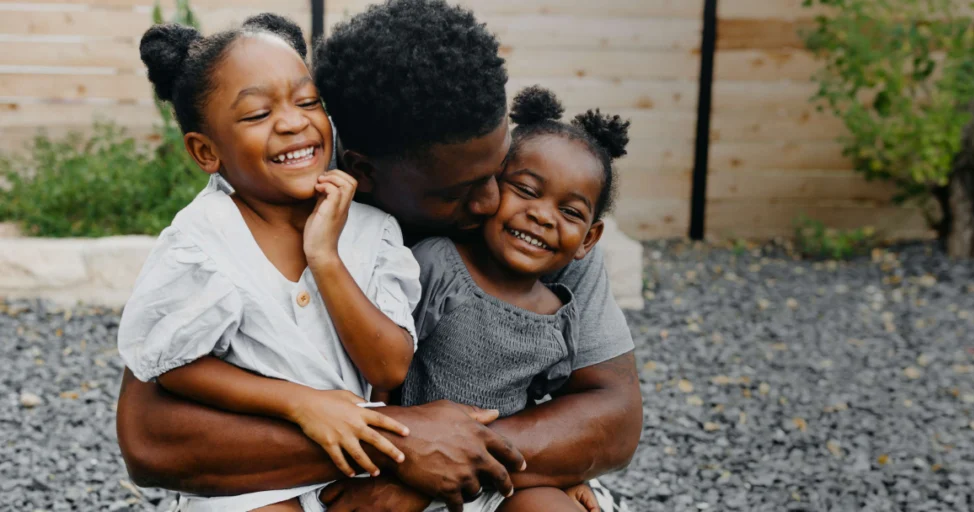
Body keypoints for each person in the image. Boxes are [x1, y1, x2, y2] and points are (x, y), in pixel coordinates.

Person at [115, 1, 643, 511]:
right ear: (362, 172)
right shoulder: (288, 185)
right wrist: (400, 449)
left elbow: (614, 417)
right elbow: (149, 439)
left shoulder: (538, 210)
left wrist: (430, 470)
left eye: (499, 170)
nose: (490, 202)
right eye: (455, 191)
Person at [119, 14, 421, 511]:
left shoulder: (372, 230)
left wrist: (325, 257)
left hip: (360, 472)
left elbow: (388, 366)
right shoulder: (201, 242)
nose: (292, 122)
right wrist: (299, 403)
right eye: (258, 114)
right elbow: (173, 364)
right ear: (206, 151)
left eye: (308, 102)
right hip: (252, 480)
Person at [401, 85, 630, 512]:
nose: (543, 215)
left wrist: (572, 473)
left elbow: (558, 406)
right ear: (489, 186)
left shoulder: (559, 313)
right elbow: (382, 362)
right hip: (417, 459)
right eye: (525, 190)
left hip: (500, 475)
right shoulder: (437, 265)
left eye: (571, 212)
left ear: (589, 239)